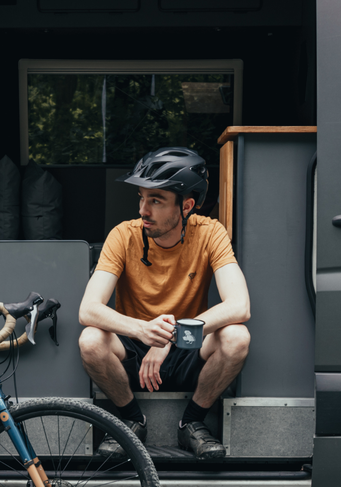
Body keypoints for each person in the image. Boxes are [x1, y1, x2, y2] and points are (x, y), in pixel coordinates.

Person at [78, 147, 251, 460]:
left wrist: (170, 336)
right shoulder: (123, 235)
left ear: (185, 206)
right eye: (142, 198)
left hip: (186, 346)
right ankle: (131, 421)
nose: (144, 209)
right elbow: (88, 309)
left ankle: (192, 423)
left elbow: (239, 305)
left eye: (156, 201)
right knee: (90, 340)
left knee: (237, 337)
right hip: (134, 349)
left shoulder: (210, 232)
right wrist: (144, 330)